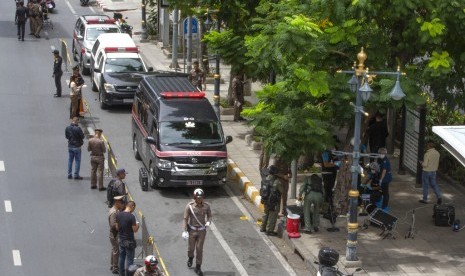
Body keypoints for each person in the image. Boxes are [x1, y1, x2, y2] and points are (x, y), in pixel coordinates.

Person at [182, 188, 212, 276]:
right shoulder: (190, 206)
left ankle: (198, 267)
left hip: (202, 232)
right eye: (198, 197)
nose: (200, 199)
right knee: (191, 249)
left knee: (199, 250)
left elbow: (210, 216)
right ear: (195, 197)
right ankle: (190, 257)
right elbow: (185, 219)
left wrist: (208, 222)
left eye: (201, 197)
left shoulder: (206, 206)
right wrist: (184, 230)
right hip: (192, 231)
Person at [116, 200, 139, 276]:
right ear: (132, 207)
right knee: (129, 259)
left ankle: (121, 273)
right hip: (129, 241)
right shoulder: (131, 216)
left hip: (121, 239)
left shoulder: (118, 215)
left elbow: (117, 227)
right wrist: (137, 225)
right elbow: (135, 230)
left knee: (121, 257)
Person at [260, 165, 284, 236]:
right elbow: (282, 191)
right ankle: (269, 231)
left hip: (265, 200)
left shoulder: (264, 179)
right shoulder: (276, 182)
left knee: (265, 214)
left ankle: (262, 227)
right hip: (273, 202)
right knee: (272, 216)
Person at [109, 195, 125, 275]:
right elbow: (113, 225)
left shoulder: (116, 210)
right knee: (116, 251)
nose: (122, 204)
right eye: (121, 202)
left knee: (114, 250)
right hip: (114, 235)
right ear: (117, 202)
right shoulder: (113, 212)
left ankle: (113, 265)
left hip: (114, 234)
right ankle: (115, 268)